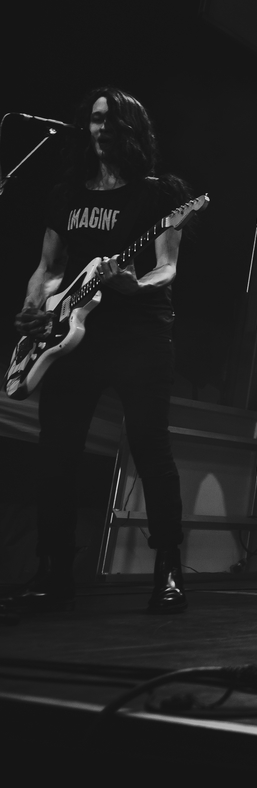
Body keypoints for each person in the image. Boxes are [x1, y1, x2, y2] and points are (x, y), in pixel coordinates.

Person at [5, 87, 190, 617]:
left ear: (131, 128)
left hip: (138, 333)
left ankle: (169, 570)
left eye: (110, 120)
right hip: (70, 334)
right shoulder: (67, 193)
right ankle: (52, 571)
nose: (99, 128)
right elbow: (51, 266)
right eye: (93, 119)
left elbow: (167, 266)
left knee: (150, 447)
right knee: (57, 450)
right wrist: (32, 304)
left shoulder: (160, 196)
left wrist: (134, 285)